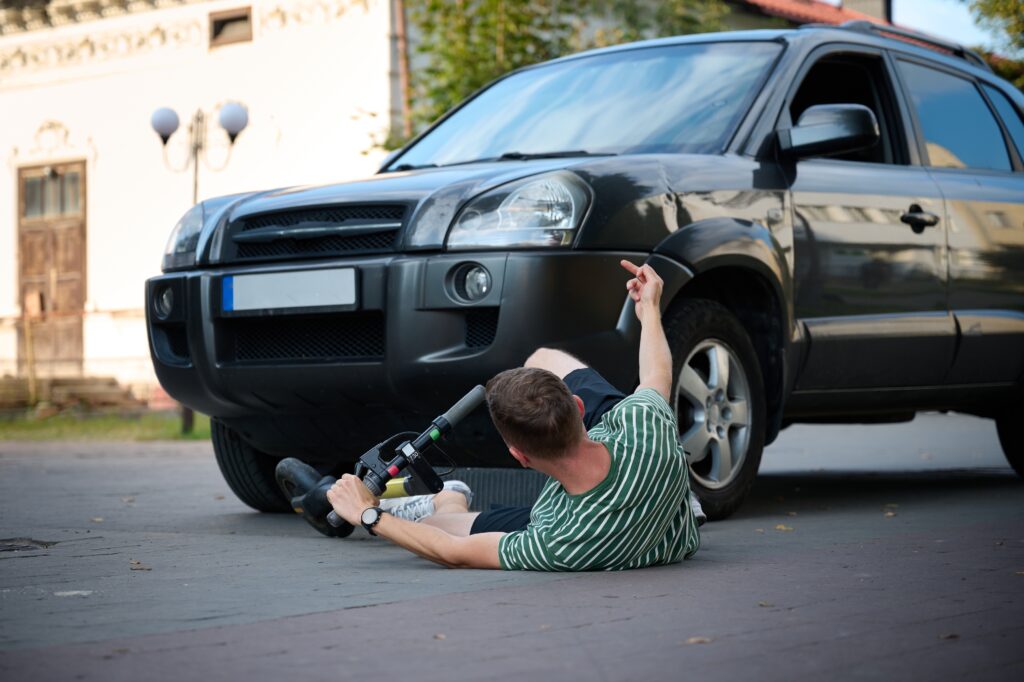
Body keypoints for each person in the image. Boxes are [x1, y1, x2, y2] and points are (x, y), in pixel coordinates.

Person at [311, 259, 701, 570]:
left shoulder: (557, 537)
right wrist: (649, 307)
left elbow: (452, 552)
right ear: (579, 408)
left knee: (430, 529)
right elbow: (656, 374)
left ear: (520, 456)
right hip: (647, 477)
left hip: (584, 520)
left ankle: (446, 499)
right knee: (545, 360)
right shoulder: (646, 427)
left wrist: (368, 515)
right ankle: (683, 496)